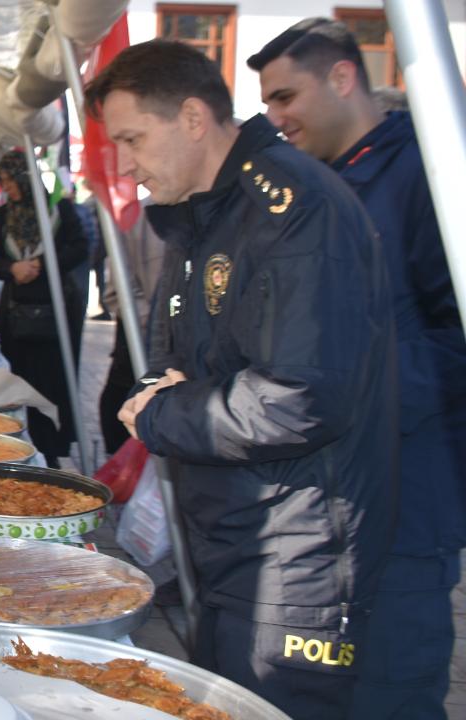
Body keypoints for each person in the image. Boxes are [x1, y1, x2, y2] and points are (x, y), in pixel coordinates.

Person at [88, 40, 397, 719]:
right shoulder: (204, 213)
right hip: (232, 530)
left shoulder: (293, 209)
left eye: (134, 139)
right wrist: (155, 391)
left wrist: (162, 415)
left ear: (194, 118)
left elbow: (302, 396)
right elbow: (172, 354)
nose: (127, 165)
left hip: (296, 549)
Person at [250, 20, 466, 718]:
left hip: (407, 499)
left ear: (343, 77)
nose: (277, 118)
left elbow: (453, 339)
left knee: (390, 693)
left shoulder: (433, 172)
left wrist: (340, 383)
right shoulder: (316, 186)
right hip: (325, 502)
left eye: (287, 96)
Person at [0, 150, 87, 465]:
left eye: (12, 181)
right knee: (19, 378)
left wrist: (42, 264)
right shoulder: (3, 216)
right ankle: (15, 443)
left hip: (54, 311)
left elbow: (81, 247)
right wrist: (12, 268)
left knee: (51, 382)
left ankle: (50, 451)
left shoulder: (58, 210)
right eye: (3, 182)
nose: (9, 188)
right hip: (16, 311)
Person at [96, 199, 165, 456]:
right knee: (126, 404)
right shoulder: (139, 216)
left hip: (150, 341)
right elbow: (118, 290)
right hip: (141, 339)